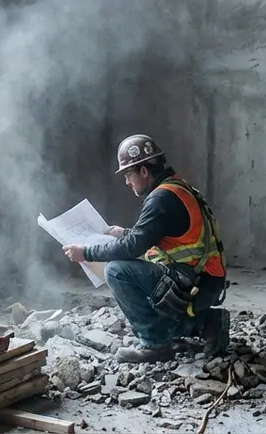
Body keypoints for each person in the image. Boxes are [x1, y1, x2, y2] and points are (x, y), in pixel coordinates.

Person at [62, 134, 230, 363]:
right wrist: (124, 233)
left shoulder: (160, 199)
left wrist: (86, 253)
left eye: (129, 174)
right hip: (204, 280)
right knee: (143, 281)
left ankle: (155, 344)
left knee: (117, 271)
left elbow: (133, 248)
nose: (127, 182)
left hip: (194, 283)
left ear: (143, 171)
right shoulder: (176, 187)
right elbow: (156, 236)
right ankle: (206, 323)